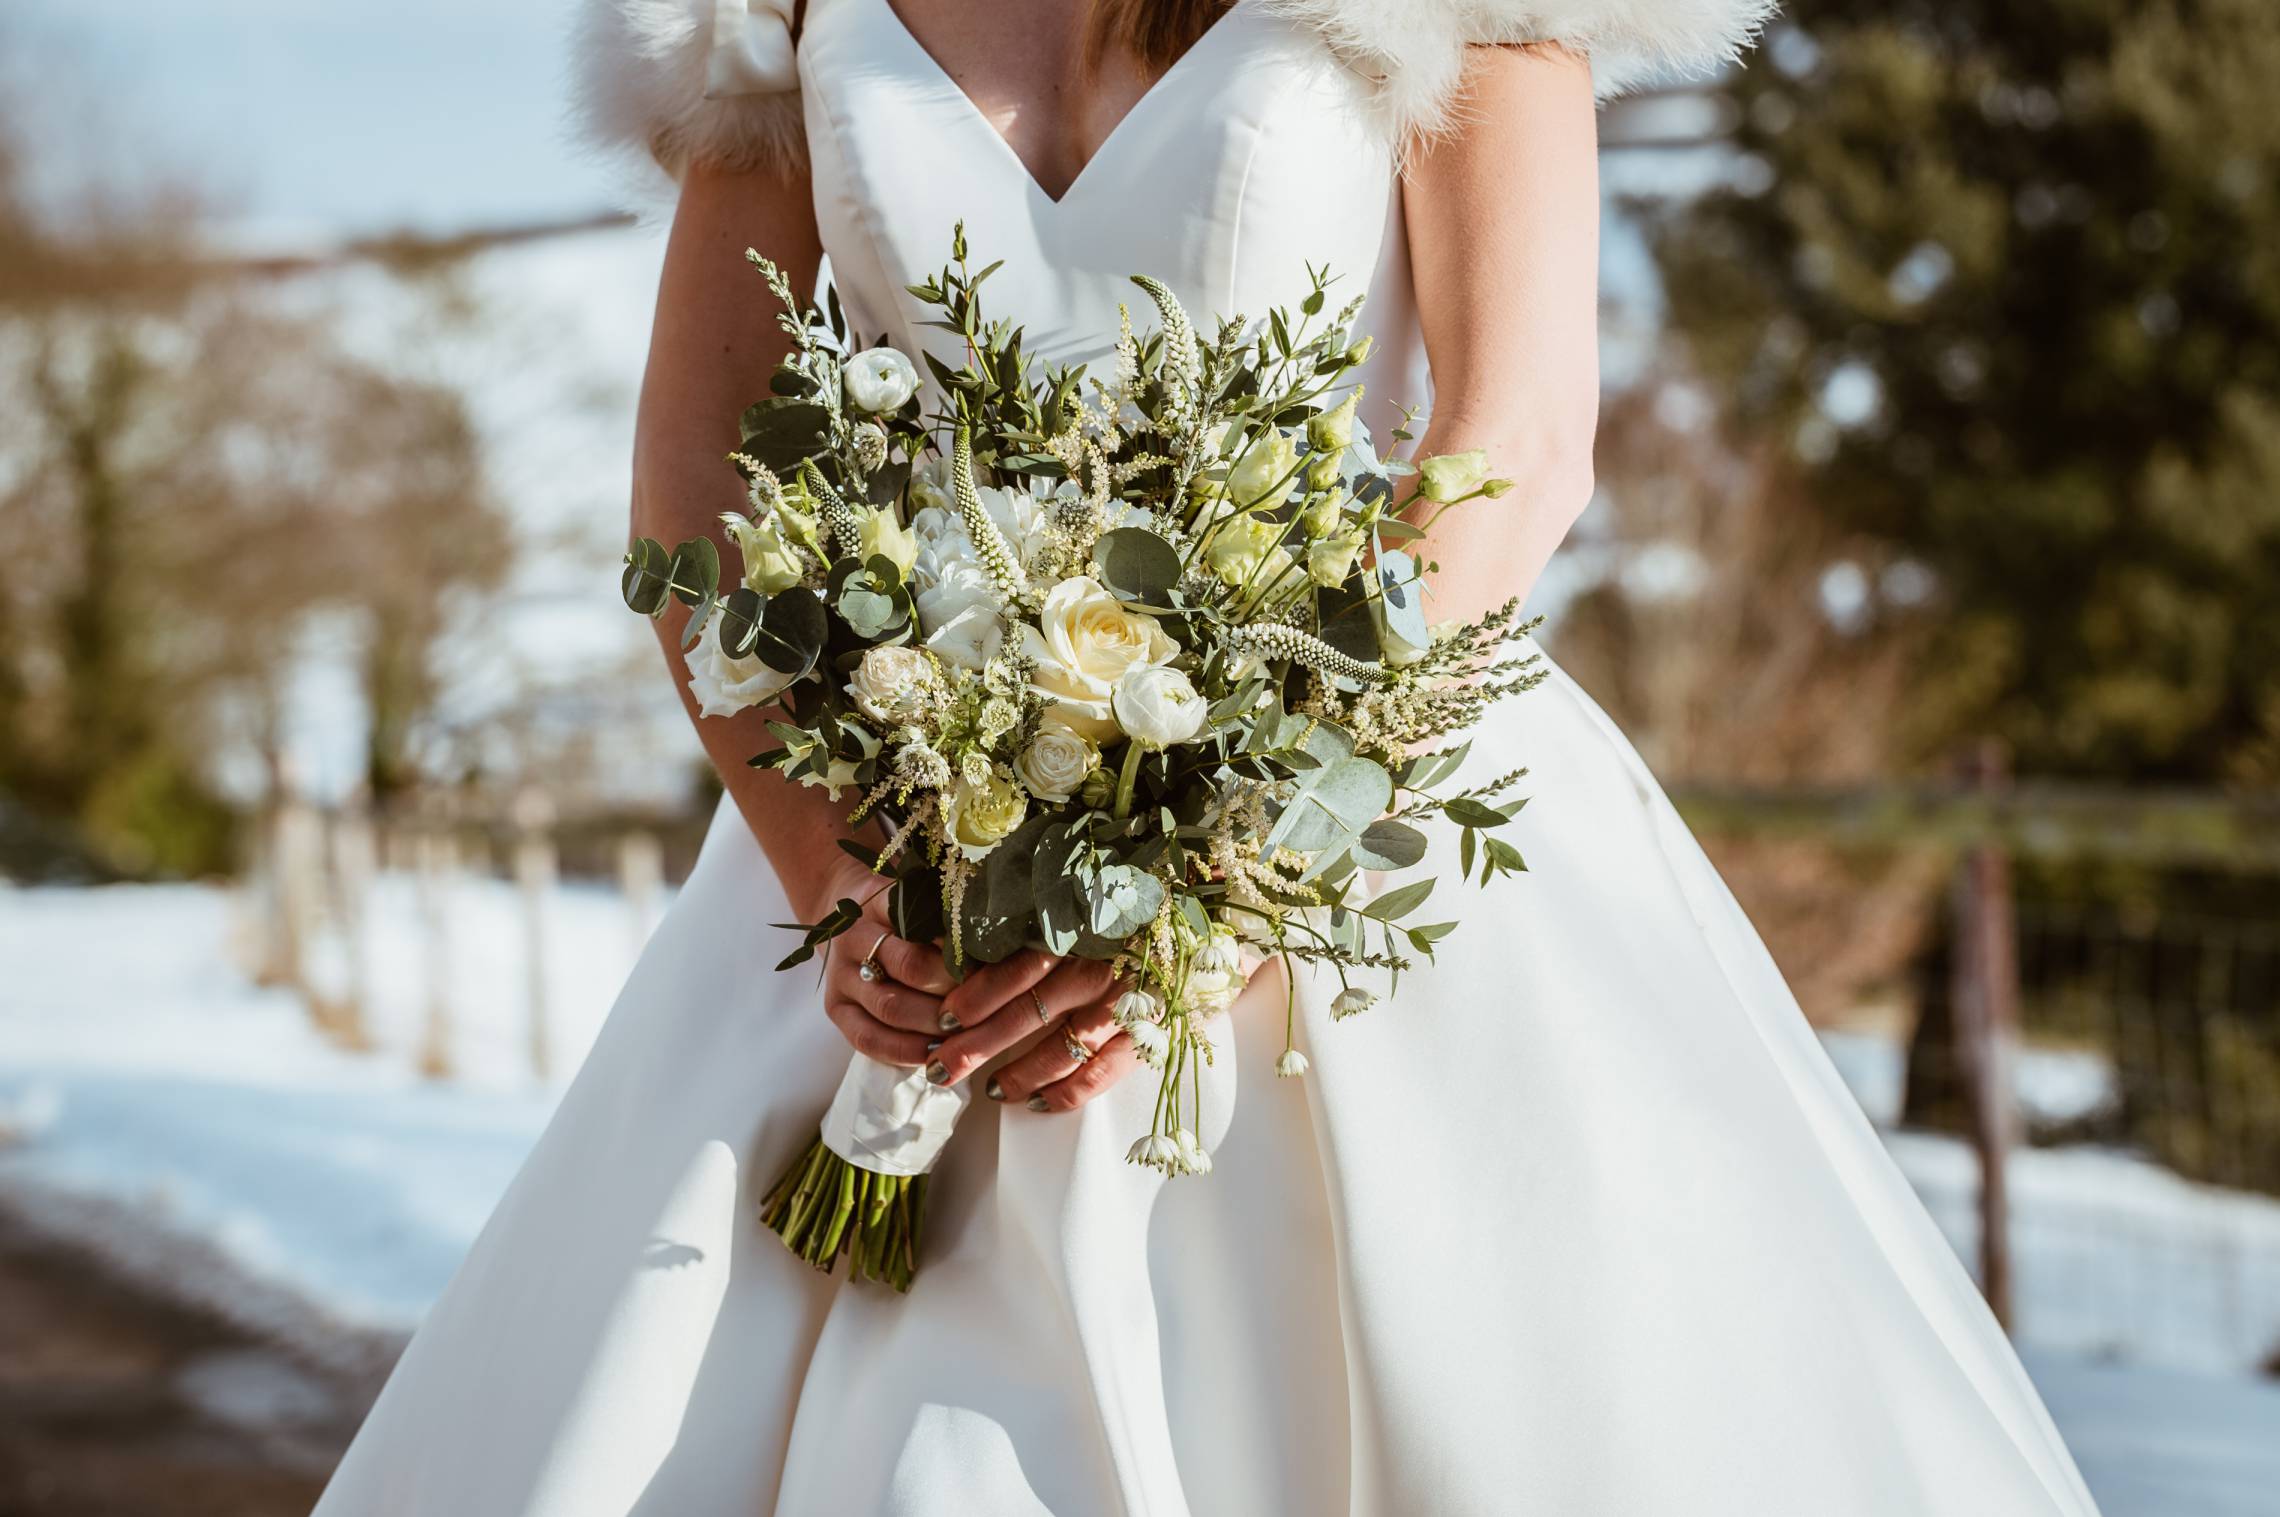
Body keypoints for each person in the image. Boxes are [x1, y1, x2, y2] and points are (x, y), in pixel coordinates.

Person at [314, 1, 2103, 1511]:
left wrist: (1237, 870)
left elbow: (1515, 444)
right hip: (900, 851)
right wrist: (846, 888)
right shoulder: (759, 6)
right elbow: (693, 490)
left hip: (1367, 801)